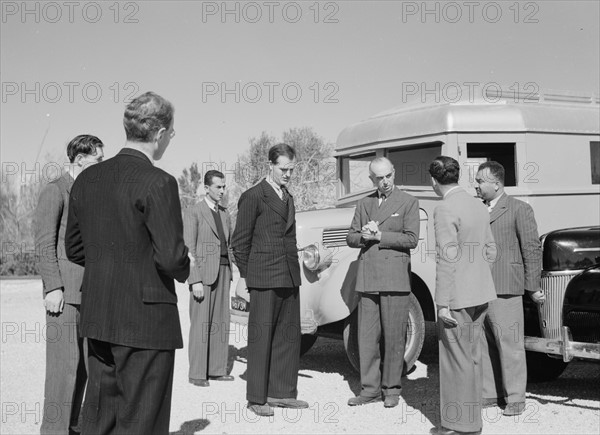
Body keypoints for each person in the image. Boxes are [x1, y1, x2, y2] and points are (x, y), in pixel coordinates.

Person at [65, 91, 190, 434]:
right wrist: (185, 265)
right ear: (160, 133)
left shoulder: (87, 179)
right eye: (172, 133)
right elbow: (171, 257)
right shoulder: (159, 182)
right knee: (141, 422)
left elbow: (75, 248)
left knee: (100, 418)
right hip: (146, 321)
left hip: (99, 314)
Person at [231, 143, 307, 417]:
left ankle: (282, 393)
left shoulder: (289, 197)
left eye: (291, 170)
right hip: (263, 278)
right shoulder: (254, 196)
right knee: (261, 338)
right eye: (283, 169)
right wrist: (245, 277)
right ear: (270, 166)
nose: (287, 174)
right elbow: (239, 242)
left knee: (288, 337)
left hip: (288, 275)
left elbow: (291, 238)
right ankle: (257, 397)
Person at [35, 134, 104, 434]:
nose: (103, 165)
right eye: (98, 160)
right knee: (62, 370)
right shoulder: (56, 191)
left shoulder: (94, 192)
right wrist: (52, 287)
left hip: (92, 293)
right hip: (63, 294)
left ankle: (73, 425)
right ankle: (52, 430)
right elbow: (43, 243)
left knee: (86, 368)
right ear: (79, 160)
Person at [429, 156, 497, 435]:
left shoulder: (445, 208)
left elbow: (447, 258)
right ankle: (473, 420)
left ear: (433, 181)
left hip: (457, 296)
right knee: (473, 357)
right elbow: (491, 250)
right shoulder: (478, 205)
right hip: (481, 291)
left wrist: (442, 303)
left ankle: (460, 426)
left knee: (455, 361)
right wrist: (476, 275)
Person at [345, 157, 420, 408]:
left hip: (394, 278)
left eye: (388, 176)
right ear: (371, 179)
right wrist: (364, 236)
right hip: (368, 278)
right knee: (366, 338)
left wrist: (380, 236)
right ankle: (369, 389)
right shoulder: (364, 202)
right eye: (379, 178)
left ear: (394, 173)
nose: (385, 181)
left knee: (394, 337)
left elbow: (411, 239)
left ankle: (392, 389)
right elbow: (351, 237)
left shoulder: (408, 201)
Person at [475, 161, 544, 416]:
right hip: (479, 287)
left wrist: (532, 286)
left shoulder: (519, 209)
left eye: (481, 180)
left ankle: (516, 397)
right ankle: (490, 393)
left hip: (505, 286)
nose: (477, 185)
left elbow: (531, 248)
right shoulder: (476, 209)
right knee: (484, 343)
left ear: (497, 183)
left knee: (510, 343)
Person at [184, 170, 235, 387]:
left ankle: (216, 369)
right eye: (218, 187)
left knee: (220, 323)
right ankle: (197, 373)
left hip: (223, 271)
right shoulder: (193, 212)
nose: (222, 191)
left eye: (224, 187)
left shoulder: (225, 213)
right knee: (201, 324)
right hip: (203, 275)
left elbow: (229, 245)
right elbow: (188, 248)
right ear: (206, 188)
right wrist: (194, 280)